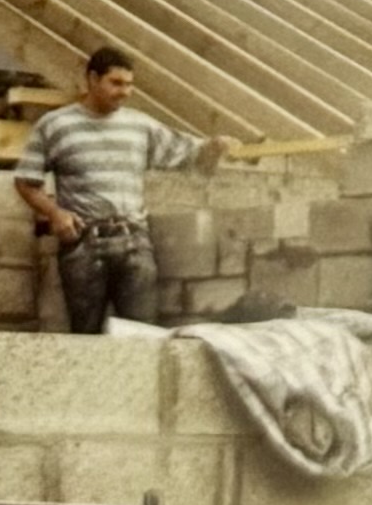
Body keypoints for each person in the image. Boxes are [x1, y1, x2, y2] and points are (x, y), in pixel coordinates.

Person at [14, 47, 223, 332]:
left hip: (134, 242)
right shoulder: (56, 125)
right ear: (92, 79)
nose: (124, 92)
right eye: (116, 83)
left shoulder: (139, 126)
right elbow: (26, 182)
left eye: (129, 84)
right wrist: (55, 213)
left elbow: (193, 156)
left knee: (142, 335)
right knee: (86, 334)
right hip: (84, 244)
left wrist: (215, 147)